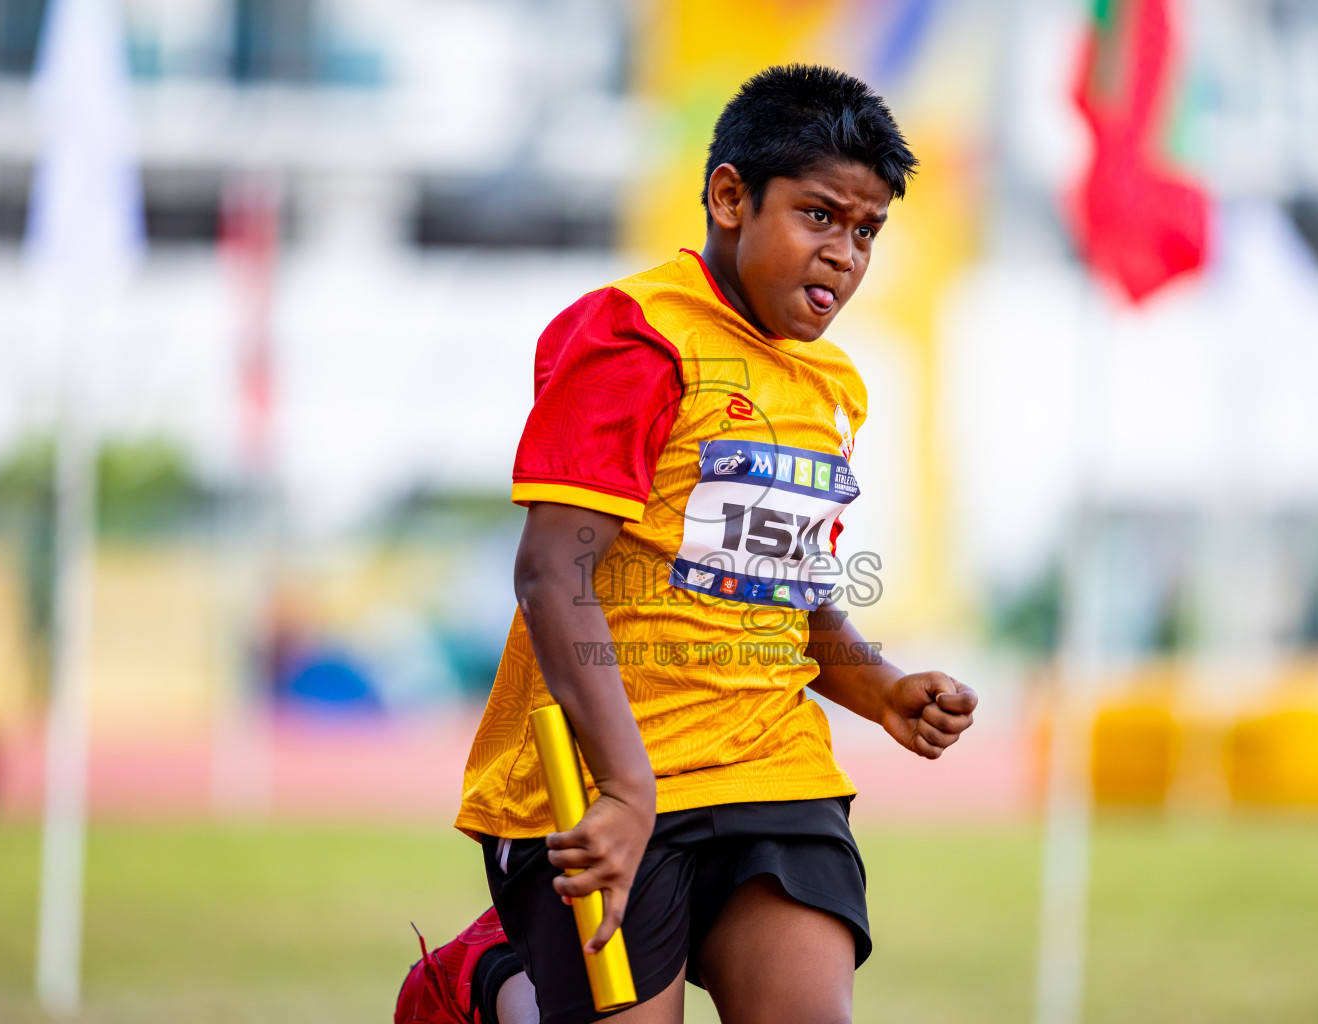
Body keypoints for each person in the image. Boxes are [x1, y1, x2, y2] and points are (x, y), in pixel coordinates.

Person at [397, 63, 978, 1024]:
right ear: (729, 195)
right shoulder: (636, 339)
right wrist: (625, 790)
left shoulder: (831, 386)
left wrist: (878, 688)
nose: (845, 254)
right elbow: (551, 572)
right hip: (602, 776)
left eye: (868, 231)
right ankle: (495, 987)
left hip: (772, 770)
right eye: (820, 216)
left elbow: (786, 592)